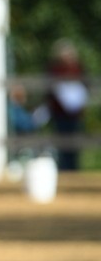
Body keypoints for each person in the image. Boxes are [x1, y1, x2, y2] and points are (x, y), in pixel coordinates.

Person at [43, 40, 89, 171]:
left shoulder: (78, 68)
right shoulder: (54, 70)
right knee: (62, 143)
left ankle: (74, 170)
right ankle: (64, 170)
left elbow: (86, 85)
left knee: (74, 144)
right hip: (60, 113)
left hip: (75, 113)